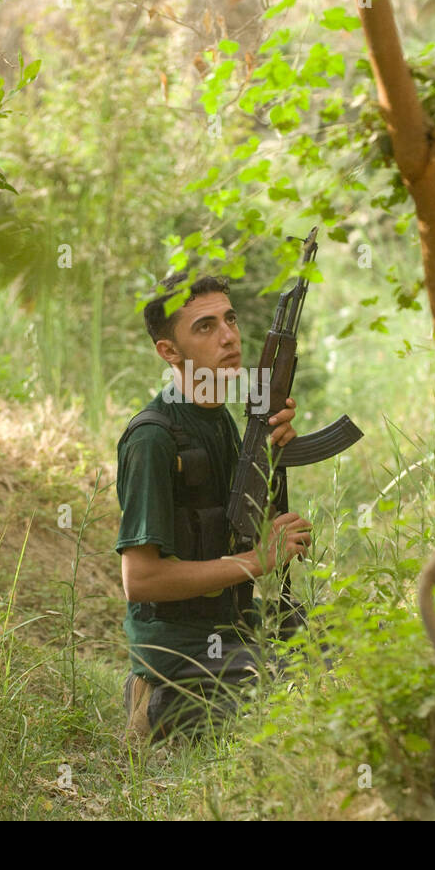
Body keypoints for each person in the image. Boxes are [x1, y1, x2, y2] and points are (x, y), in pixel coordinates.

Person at [117, 271, 313, 742]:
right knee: (287, 713)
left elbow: (230, 525)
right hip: (182, 649)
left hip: (236, 627)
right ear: (169, 352)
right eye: (204, 327)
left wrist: (271, 459)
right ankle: (156, 699)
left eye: (230, 319)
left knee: (355, 647)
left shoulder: (223, 421)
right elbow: (140, 580)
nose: (228, 337)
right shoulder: (154, 438)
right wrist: (255, 562)